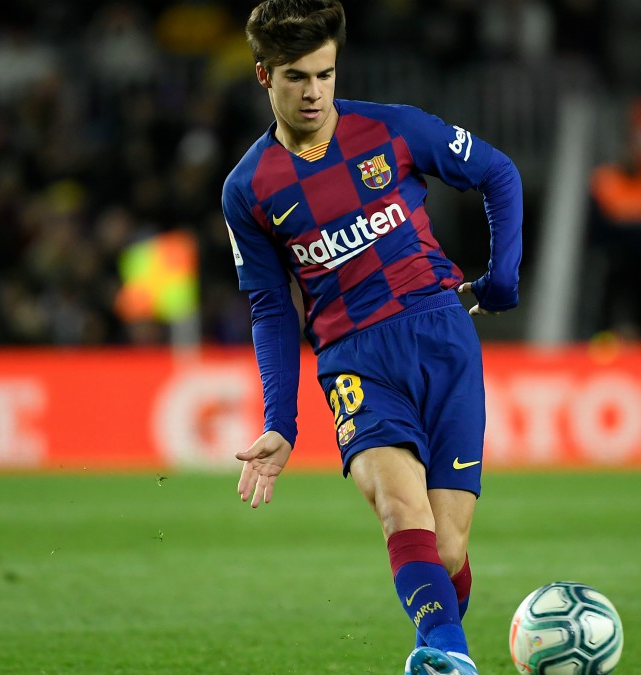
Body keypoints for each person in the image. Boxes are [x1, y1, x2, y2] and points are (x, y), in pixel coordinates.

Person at [220, 2, 523, 673]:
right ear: (264, 75)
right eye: (297, 76)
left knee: (444, 550)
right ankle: (451, 657)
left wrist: (502, 278)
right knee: (398, 506)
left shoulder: (392, 129)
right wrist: (281, 420)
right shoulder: (249, 188)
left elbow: (498, 172)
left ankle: (436, 643)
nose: (314, 91)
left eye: (325, 73)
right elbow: (271, 307)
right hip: (354, 355)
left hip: (442, 334)